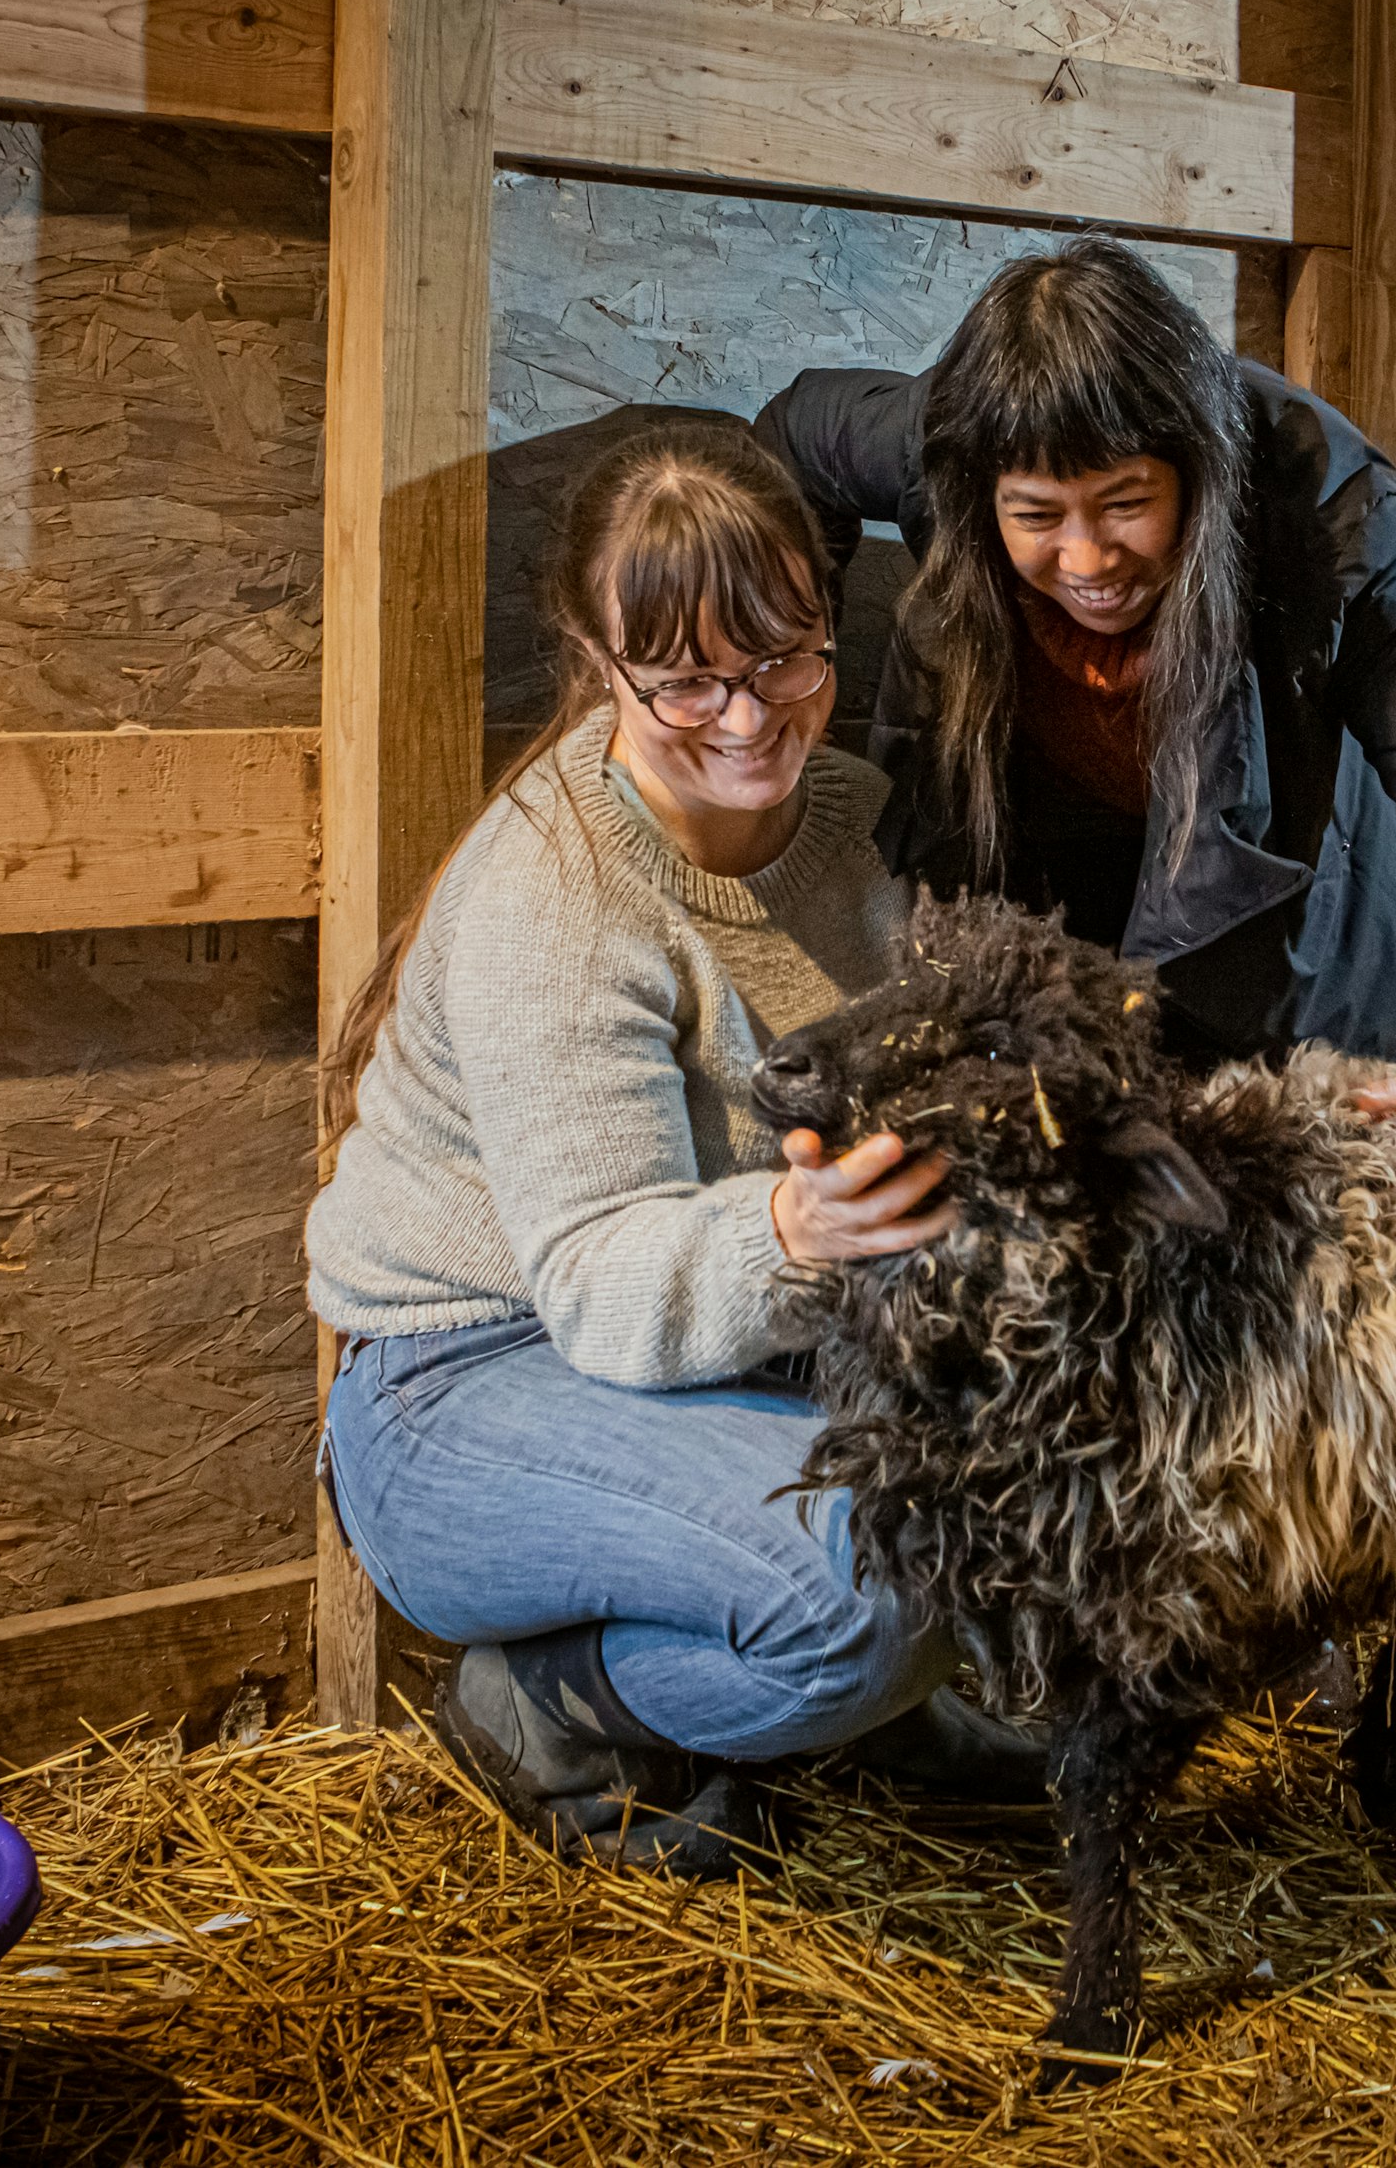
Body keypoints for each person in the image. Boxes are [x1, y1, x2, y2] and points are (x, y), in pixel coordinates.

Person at [307, 426, 1036, 1879]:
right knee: (879, 1575)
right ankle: (551, 1711)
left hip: (732, 1351)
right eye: (687, 681)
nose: (749, 718)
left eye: (783, 661)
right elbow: (592, 1278)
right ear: (601, 657)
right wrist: (795, 1233)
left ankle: (842, 1705)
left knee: (1000, 1465)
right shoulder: (558, 893)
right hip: (468, 1384)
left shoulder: (842, 827)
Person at [754, 238, 1396, 1238]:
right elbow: (791, 434)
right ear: (982, 494)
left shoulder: (1327, 513)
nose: (1088, 558)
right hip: (1041, 847)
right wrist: (790, 643)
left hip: (1260, 884)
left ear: (1197, 467)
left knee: (1261, 1216)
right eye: (1037, 516)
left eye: (1127, 504)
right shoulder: (941, 442)